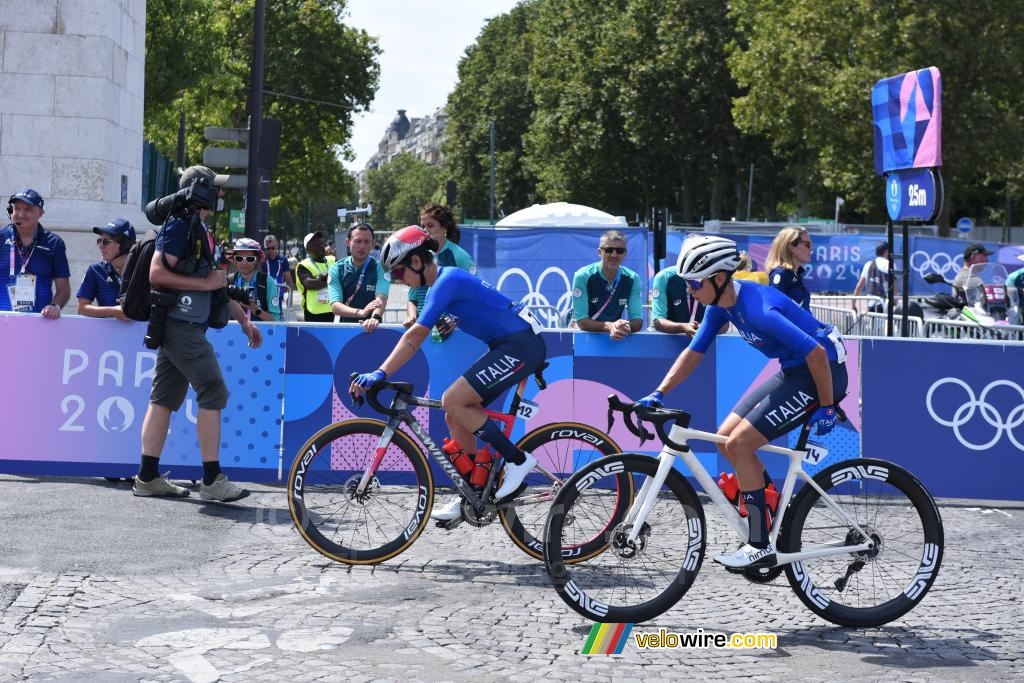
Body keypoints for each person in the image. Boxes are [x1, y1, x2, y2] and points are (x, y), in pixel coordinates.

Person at [637, 235, 847, 569]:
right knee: (726, 438)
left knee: (740, 445)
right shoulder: (719, 306)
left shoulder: (757, 308)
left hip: (821, 375)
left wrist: (827, 405)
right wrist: (658, 392)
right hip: (796, 372)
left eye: (694, 283)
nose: (690, 290)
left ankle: (759, 543)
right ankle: (769, 511)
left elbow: (818, 353)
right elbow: (693, 353)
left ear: (719, 279)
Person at [350, 226, 545, 523]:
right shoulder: (439, 286)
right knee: (454, 412)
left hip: (520, 345)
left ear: (416, 262)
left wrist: (380, 371)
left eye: (399, 274)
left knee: (452, 400)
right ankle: (471, 490)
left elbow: (414, 337)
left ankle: (518, 460)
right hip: (509, 344)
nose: (399, 281)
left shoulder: (447, 280)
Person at [133, 165, 262, 502]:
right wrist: (204, 283)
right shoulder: (180, 226)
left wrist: (243, 319)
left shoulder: (195, 226)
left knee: (162, 400)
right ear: (199, 191)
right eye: (214, 189)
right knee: (213, 390)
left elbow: (215, 285)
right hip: (182, 327)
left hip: (180, 325)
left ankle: (147, 477)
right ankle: (211, 479)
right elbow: (157, 274)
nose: (219, 195)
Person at [0, 189, 70, 317]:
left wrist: (55, 306)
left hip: (39, 322)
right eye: (17, 209)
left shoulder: (54, 243)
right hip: (2, 319)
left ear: (40, 213)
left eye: (28, 209)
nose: (20, 214)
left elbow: (63, 289)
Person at [405, 203, 477, 327]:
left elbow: (476, 292)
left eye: (430, 225)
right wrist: (411, 315)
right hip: (423, 328)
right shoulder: (418, 257)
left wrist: (455, 319)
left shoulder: (458, 255)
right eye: (423, 226)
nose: (425, 231)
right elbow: (412, 298)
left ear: (444, 228)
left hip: (450, 332)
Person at [570, 230, 643, 339]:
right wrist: (610, 326)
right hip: (583, 337)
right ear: (600, 252)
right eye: (608, 250)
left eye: (619, 250)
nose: (614, 255)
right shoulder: (582, 276)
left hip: (614, 337)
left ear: (625, 253)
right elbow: (582, 322)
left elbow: (637, 321)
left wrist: (622, 327)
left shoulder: (633, 278)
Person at [328, 222, 390, 332]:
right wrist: (360, 313)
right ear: (348, 242)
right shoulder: (336, 268)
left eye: (367, 242)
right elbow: (335, 306)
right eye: (358, 241)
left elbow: (381, 299)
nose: (362, 246)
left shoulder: (380, 267)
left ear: (372, 244)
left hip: (372, 328)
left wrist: (374, 318)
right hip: (344, 330)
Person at [76, 218, 136, 321]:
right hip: (108, 335)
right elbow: (82, 308)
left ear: (124, 244)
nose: (101, 246)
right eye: (99, 240)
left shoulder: (141, 269)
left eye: (106, 242)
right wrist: (113, 311)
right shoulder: (95, 270)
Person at [229, 237, 282, 321]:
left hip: (259, 333)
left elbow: (276, 320)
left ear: (257, 259)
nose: (244, 262)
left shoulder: (268, 282)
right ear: (234, 259)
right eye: (239, 258)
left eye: (250, 259)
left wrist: (256, 309)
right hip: (231, 333)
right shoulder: (228, 281)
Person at [766, 226, 813, 311]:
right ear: (791, 247)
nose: (811, 249)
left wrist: (818, 324)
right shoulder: (781, 274)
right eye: (807, 244)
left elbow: (804, 311)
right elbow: (774, 310)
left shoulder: (796, 273)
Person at [650, 264, 705, 336]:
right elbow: (658, 321)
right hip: (669, 339)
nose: (690, 291)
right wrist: (683, 327)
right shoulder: (663, 277)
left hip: (704, 338)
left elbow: (723, 323)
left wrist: (705, 329)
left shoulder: (713, 275)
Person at [295, 230, 336, 322]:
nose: (321, 246)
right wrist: (332, 278)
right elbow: (310, 285)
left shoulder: (333, 260)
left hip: (334, 310)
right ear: (308, 249)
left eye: (322, 244)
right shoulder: (303, 265)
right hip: (313, 313)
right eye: (316, 245)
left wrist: (322, 280)